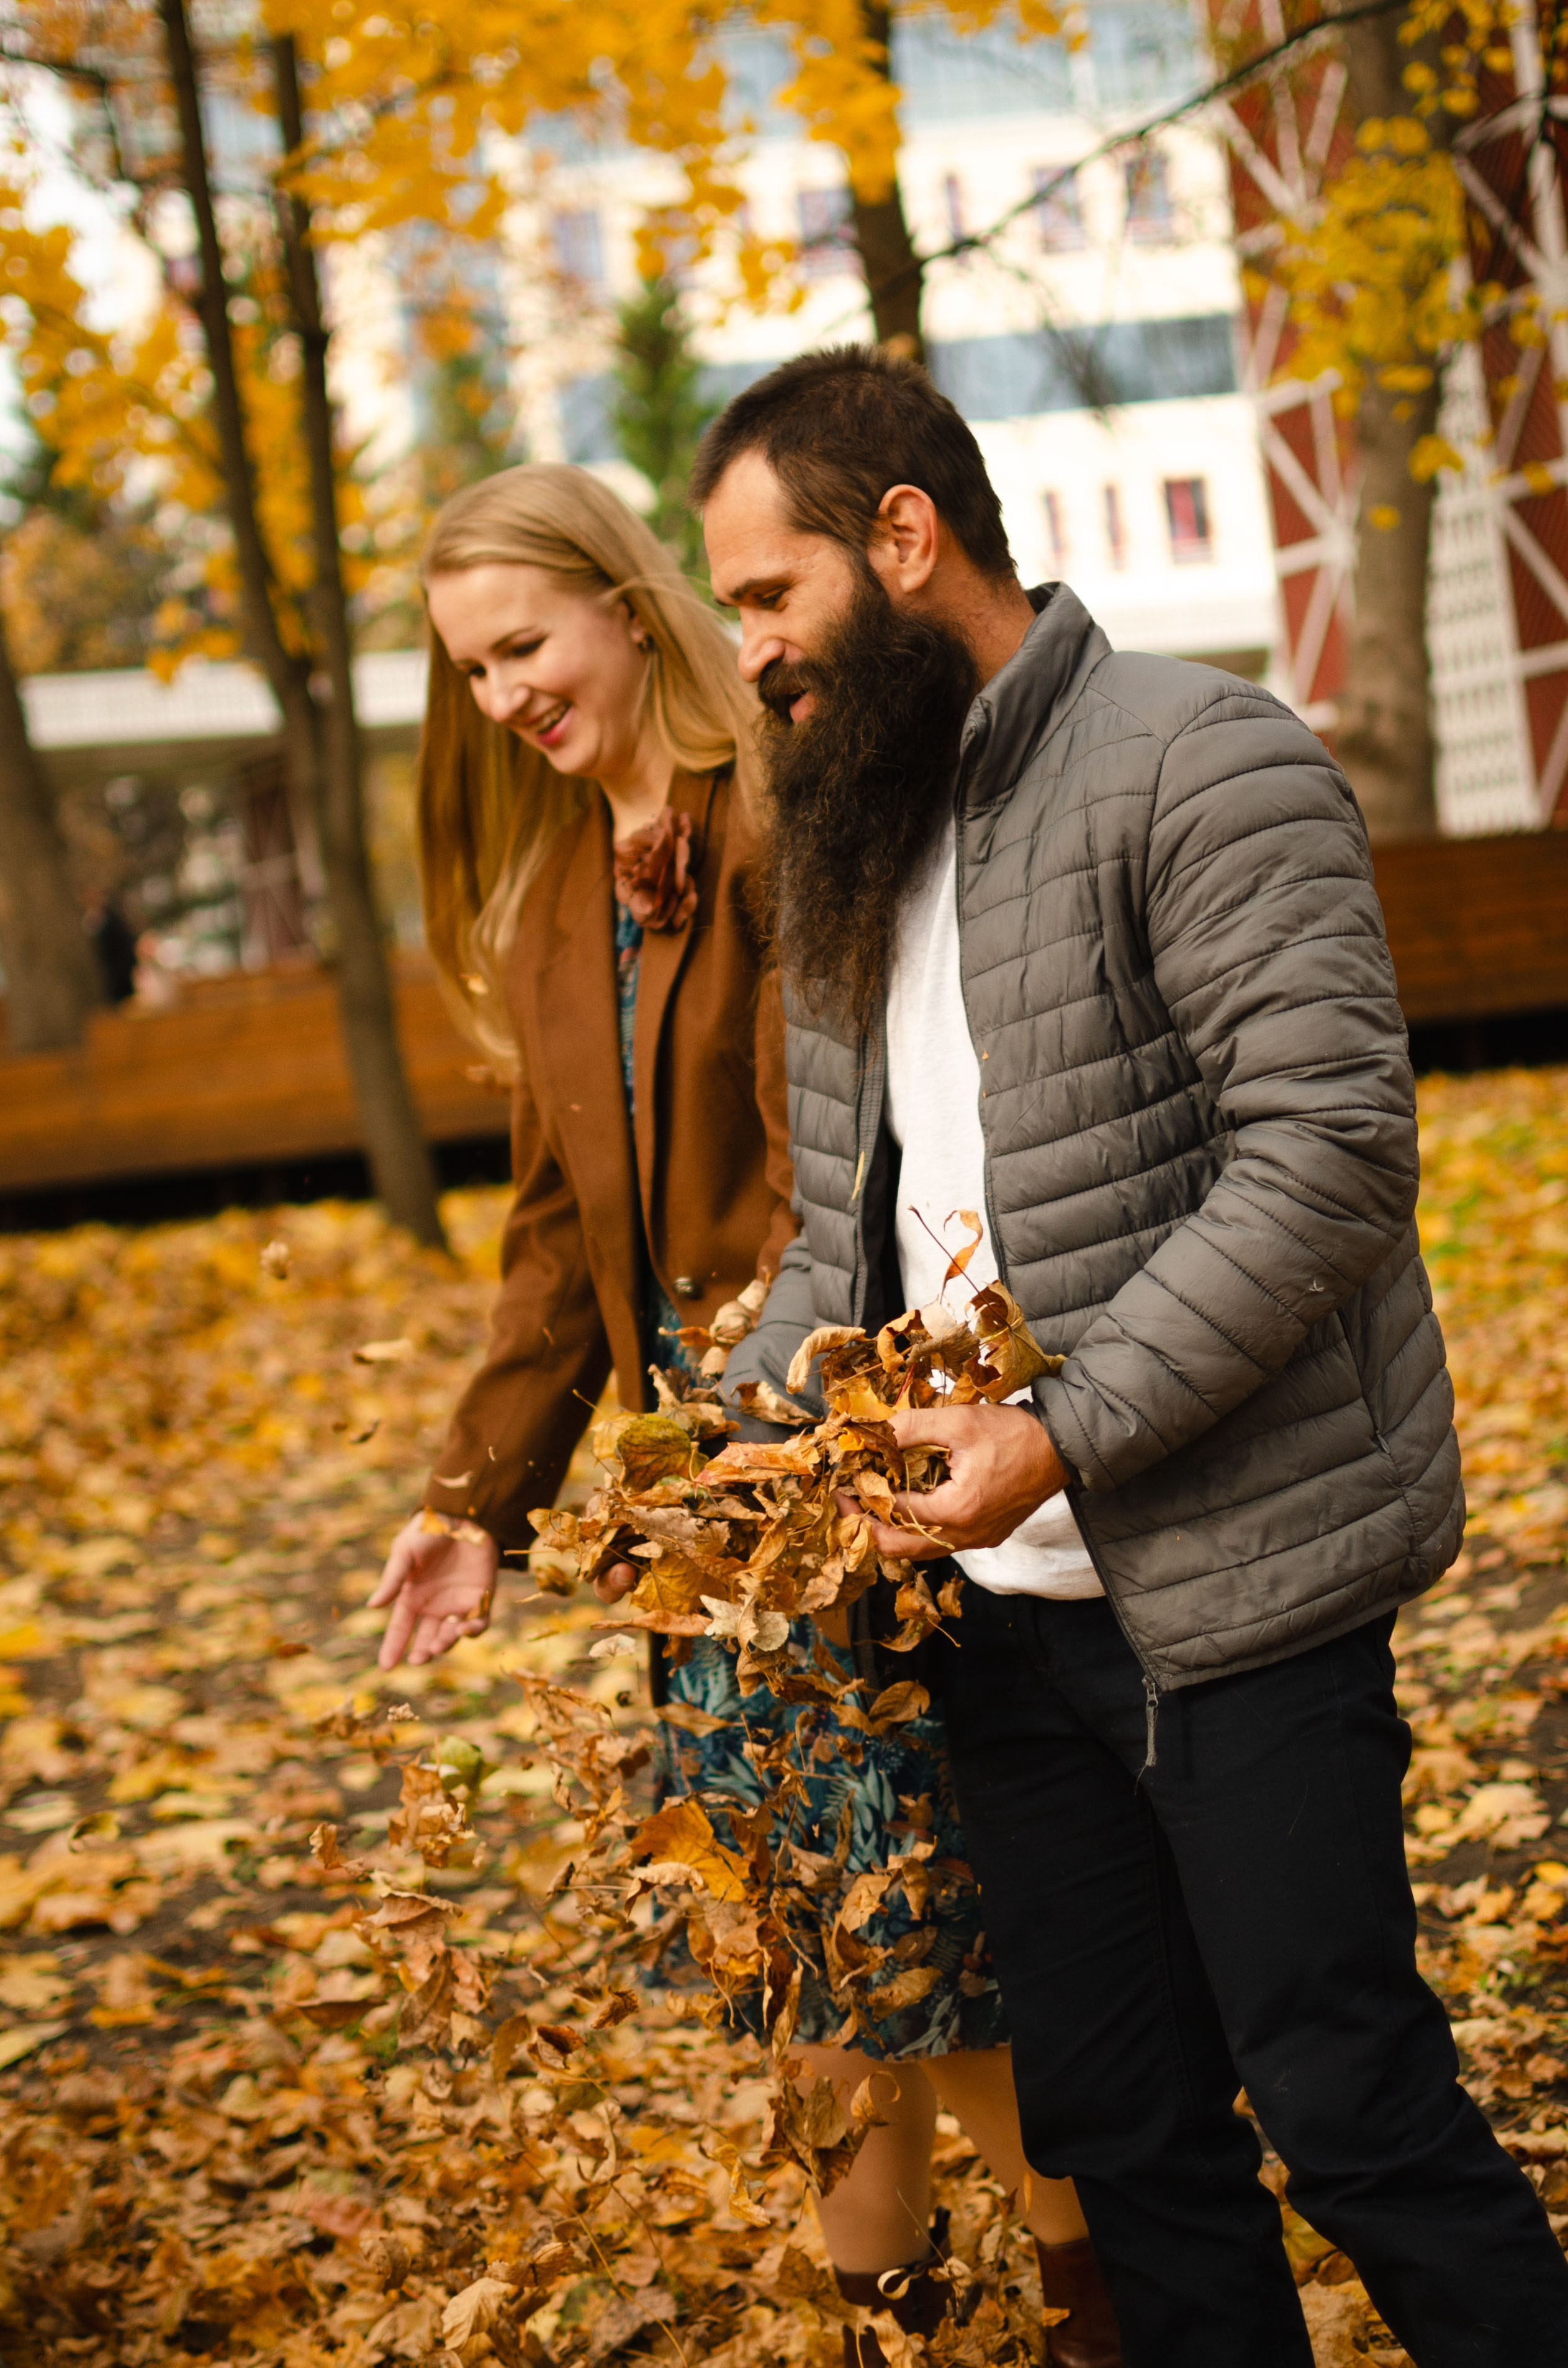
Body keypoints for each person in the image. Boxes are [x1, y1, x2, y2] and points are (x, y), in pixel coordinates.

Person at [698, 345, 1568, 2368]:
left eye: (767, 596)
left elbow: (1330, 1156)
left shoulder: (1203, 756)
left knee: (1350, 2113)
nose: (747, 652)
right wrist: (727, 1457)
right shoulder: (851, 832)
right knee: (1133, 2137)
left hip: (1238, 1587)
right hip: (998, 1623)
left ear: (903, 539)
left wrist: (1065, 1435)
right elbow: (839, 1232)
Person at [367, 462, 1120, 2368]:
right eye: (468, 670)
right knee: (809, 1966)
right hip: (691, 1532)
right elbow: (558, 1240)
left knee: (931, 1964)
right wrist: (476, 1493)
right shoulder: (554, 900)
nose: (505, 696)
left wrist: (786, 1436)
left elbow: (851, 1164)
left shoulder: (791, 819)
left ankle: (1108, 2298)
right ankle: (895, 2324)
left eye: (523, 645)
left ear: (631, 602)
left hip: (834, 1484)